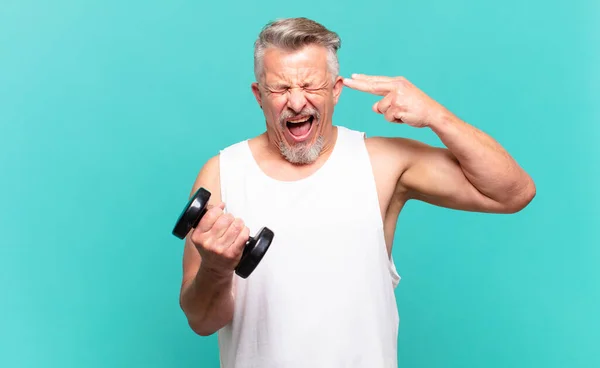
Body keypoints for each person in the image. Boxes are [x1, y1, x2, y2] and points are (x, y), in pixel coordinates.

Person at [178, 17, 536, 368]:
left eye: (311, 86)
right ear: (259, 95)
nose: (298, 102)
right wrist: (215, 268)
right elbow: (202, 322)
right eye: (281, 89)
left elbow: (512, 193)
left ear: (335, 89)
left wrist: (436, 117)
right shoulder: (223, 173)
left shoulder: (382, 162)